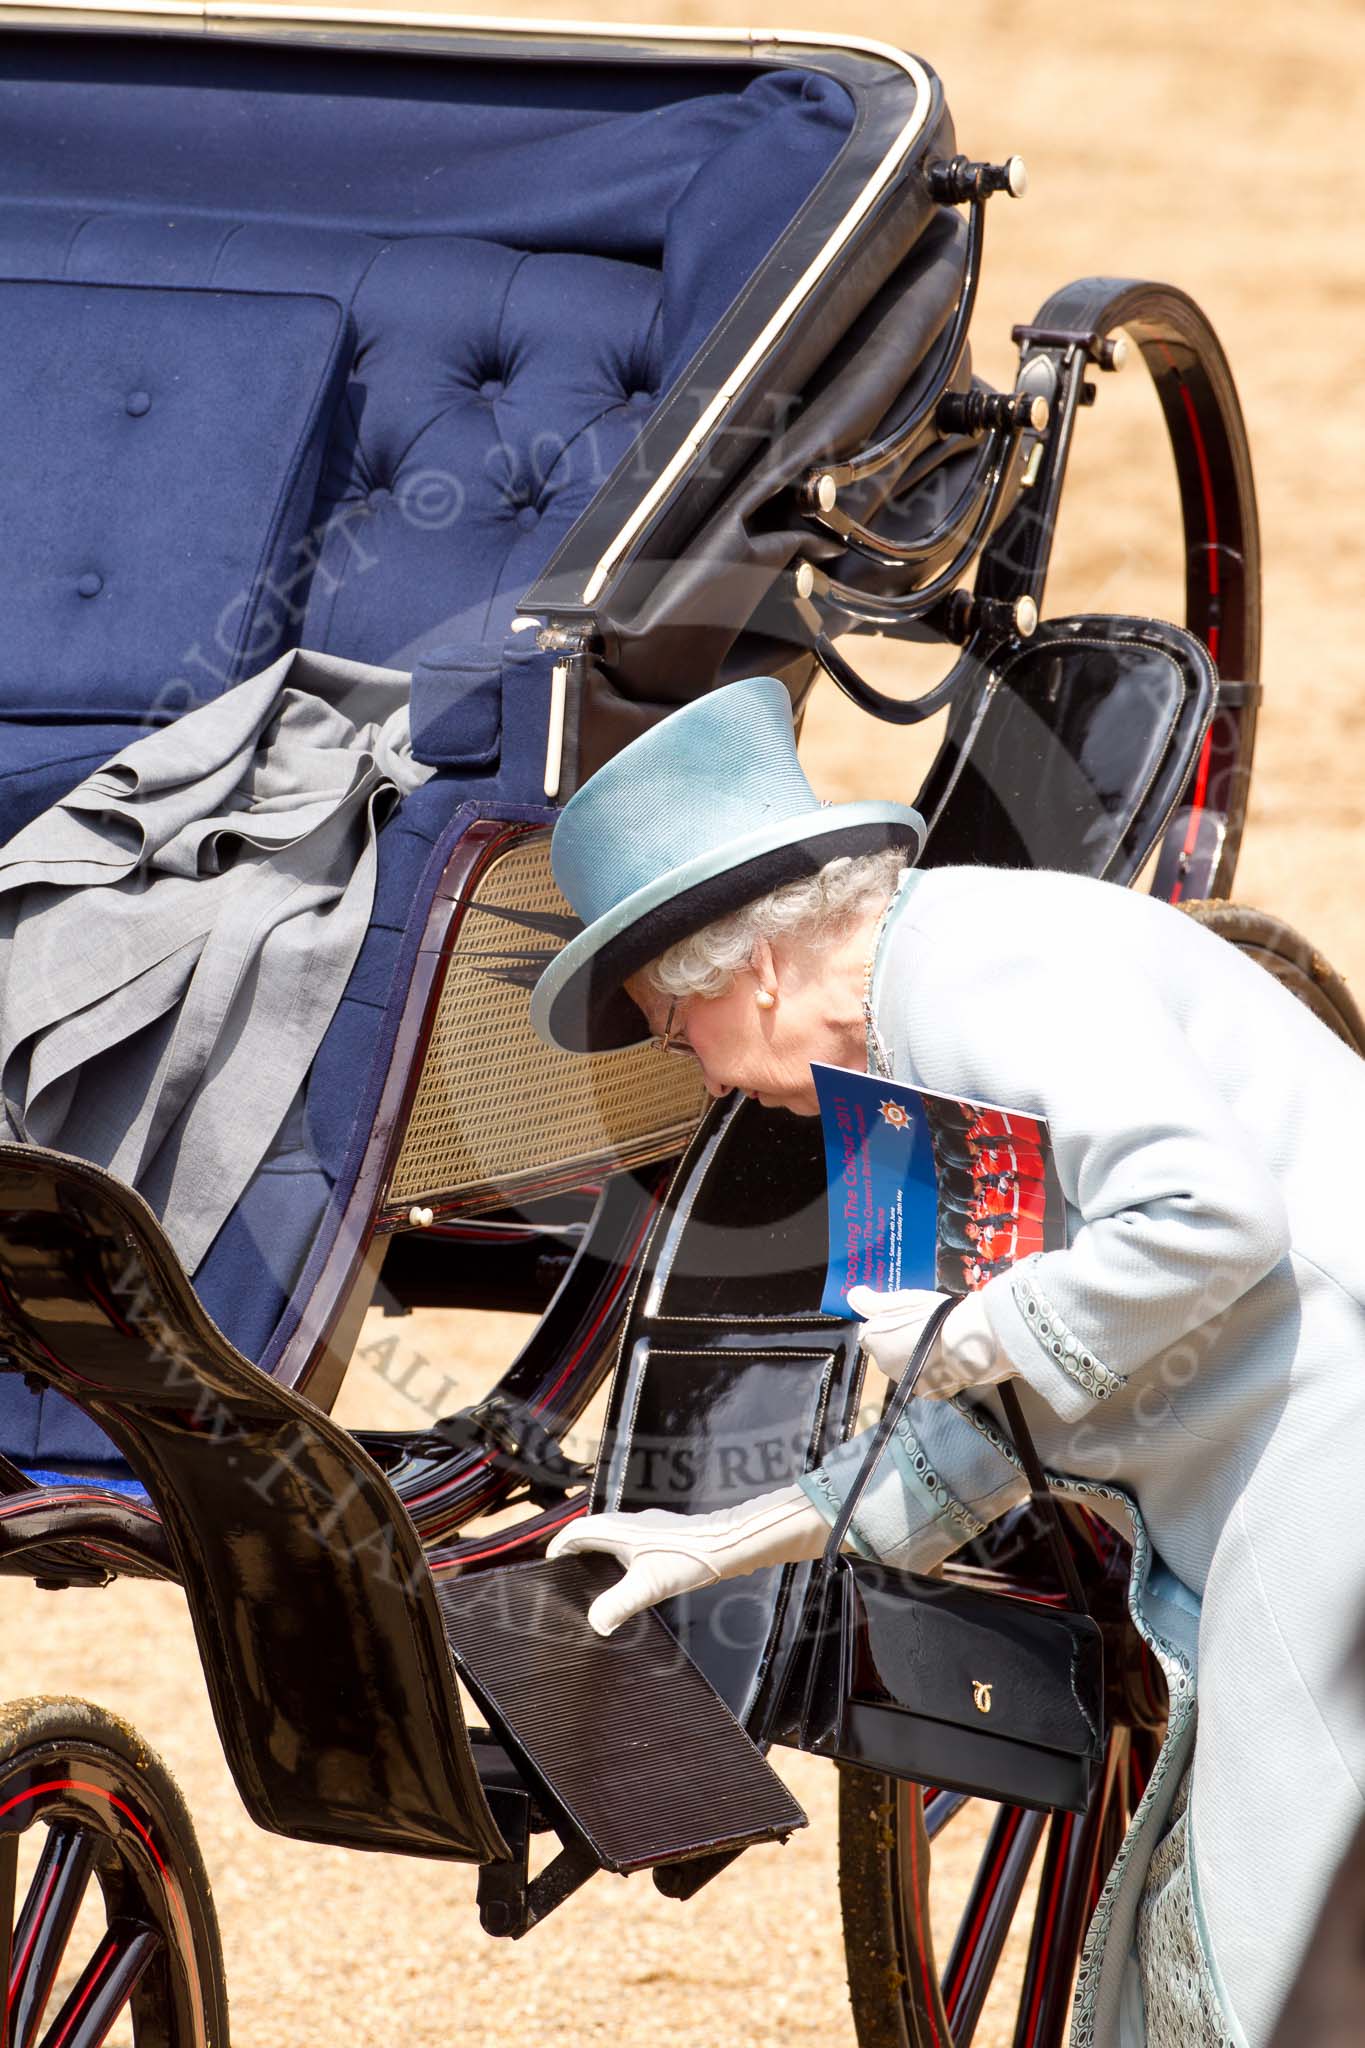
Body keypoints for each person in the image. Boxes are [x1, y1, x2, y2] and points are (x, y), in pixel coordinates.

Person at [527, 674, 1365, 2048]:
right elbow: (982, 1428)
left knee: (1271, 1952)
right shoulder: (887, 1072)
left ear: (750, 971)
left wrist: (982, 1324)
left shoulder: (981, 971)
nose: (696, 1069)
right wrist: (729, 1537)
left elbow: (1211, 1215)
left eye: (676, 1027)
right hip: (1260, 1454)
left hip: (1327, 1431)